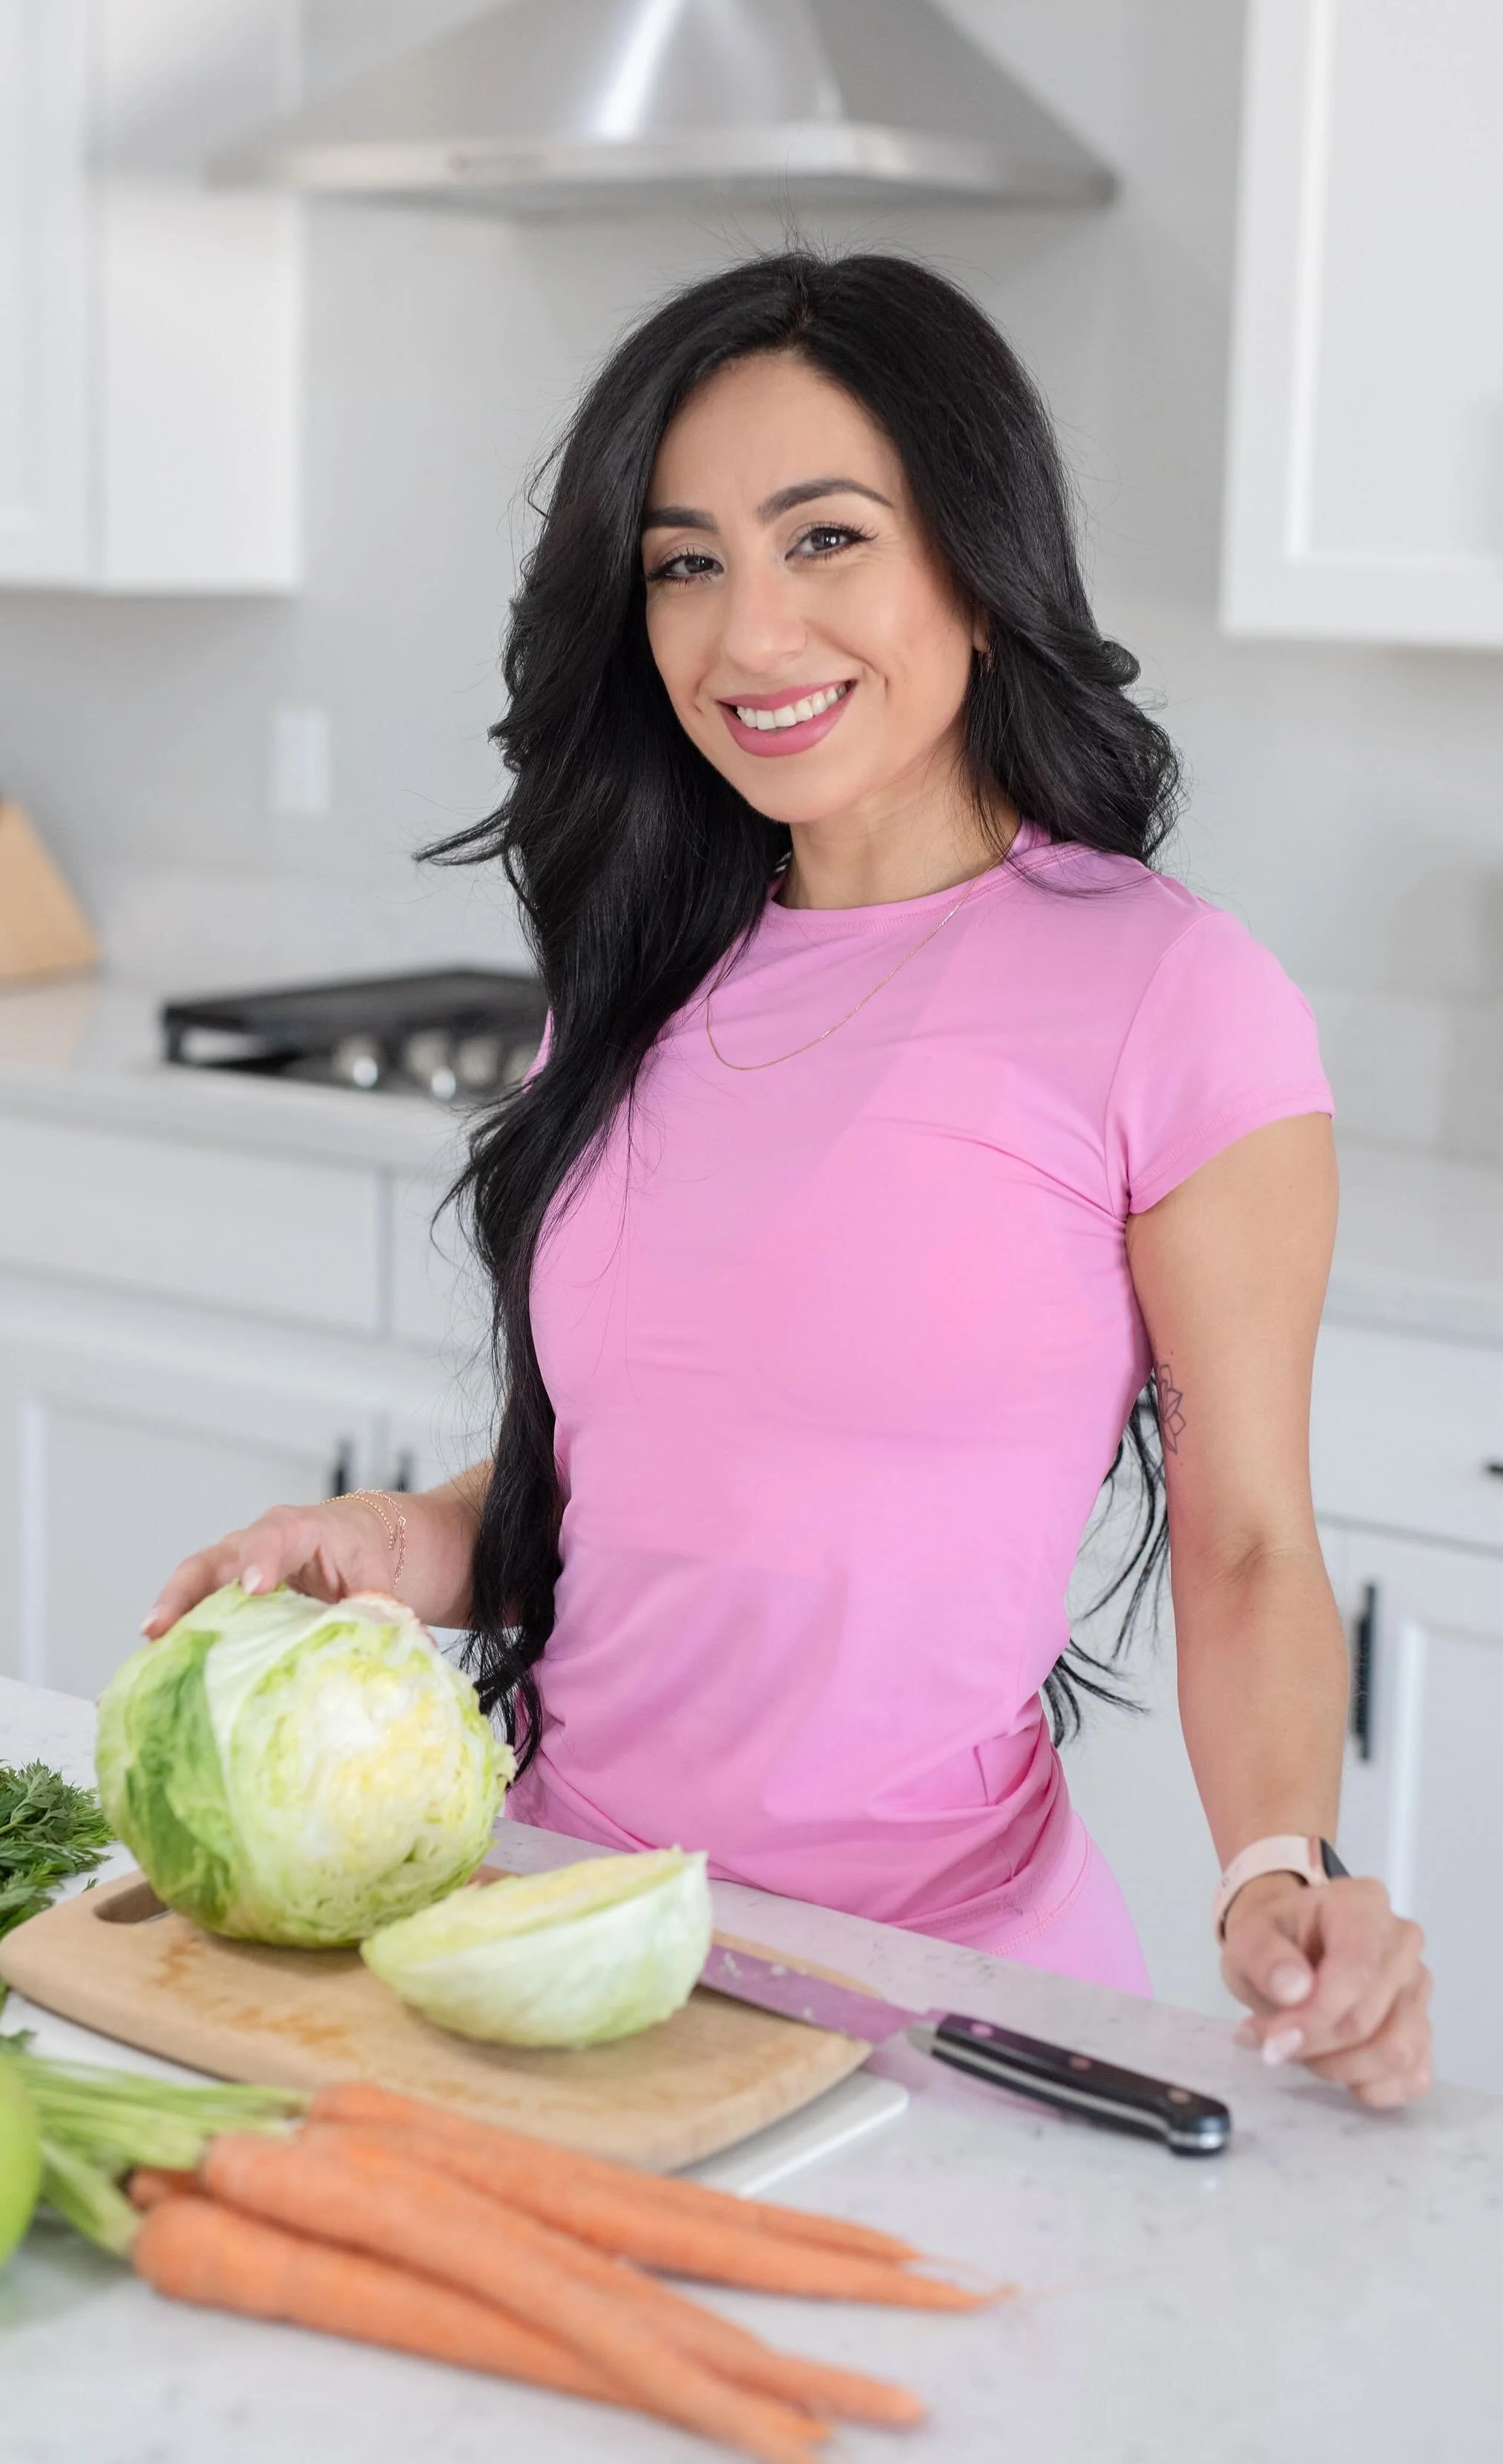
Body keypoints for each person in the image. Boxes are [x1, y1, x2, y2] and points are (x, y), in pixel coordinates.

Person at [148, 252, 1430, 2108]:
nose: (747, 636)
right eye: (684, 564)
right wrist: (396, 1544)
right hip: (559, 1940)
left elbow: (1243, 1544)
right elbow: (627, 1482)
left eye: (823, 538)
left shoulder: (1168, 994)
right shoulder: (636, 983)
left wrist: (1274, 1874)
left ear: (977, 561)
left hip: (937, 2002)